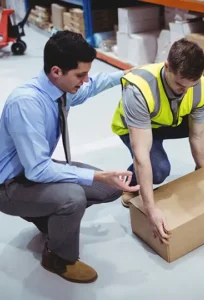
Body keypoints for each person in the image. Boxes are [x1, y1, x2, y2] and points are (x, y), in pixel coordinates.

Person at [0, 31, 139, 284]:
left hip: (32, 170)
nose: (85, 81)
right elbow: (38, 171)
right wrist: (97, 175)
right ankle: (58, 257)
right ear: (56, 71)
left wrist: (127, 76)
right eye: (80, 75)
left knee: (107, 189)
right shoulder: (27, 104)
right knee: (74, 196)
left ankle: (46, 217)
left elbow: (93, 86)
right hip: (9, 185)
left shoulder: (61, 89)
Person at [111, 38, 204, 245]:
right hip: (138, 127)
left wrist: (202, 175)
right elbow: (141, 152)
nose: (185, 90)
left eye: (192, 85)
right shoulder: (140, 88)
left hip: (171, 118)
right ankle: (131, 183)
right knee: (159, 170)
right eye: (180, 84)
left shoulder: (200, 87)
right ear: (167, 67)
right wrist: (150, 208)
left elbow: (198, 133)